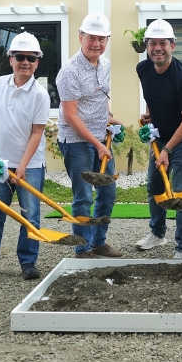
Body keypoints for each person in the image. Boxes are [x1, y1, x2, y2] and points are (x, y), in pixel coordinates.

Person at [0, 32, 51, 282]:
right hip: (0, 164)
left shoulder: (40, 94)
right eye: (20, 56)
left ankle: (28, 262)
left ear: (37, 62)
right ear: (10, 59)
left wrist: (22, 166)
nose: (25, 62)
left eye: (31, 58)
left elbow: (37, 133)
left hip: (31, 165)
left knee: (30, 215)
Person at [56, 13, 124, 259]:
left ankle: (98, 242)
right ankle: (82, 248)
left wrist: (109, 118)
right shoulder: (69, 71)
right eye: (91, 38)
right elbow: (71, 116)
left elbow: (100, 96)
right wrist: (97, 144)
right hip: (77, 142)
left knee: (108, 193)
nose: (96, 43)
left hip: (100, 137)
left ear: (107, 40)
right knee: (84, 196)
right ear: (80, 37)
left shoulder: (105, 64)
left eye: (101, 39)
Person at [135, 19, 182, 259]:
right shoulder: (143, 69)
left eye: (163, 43)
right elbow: (151, 95)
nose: (158, 48)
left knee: (181, 193)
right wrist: (150, 114)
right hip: (161, 137)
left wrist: (167, 150)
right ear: (147, 46)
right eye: (152, 43)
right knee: (155, 187)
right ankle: (158, 233)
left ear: (173, 45)